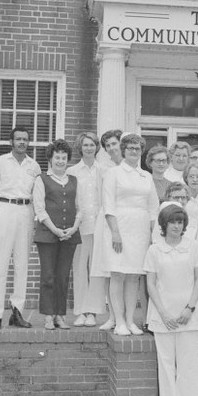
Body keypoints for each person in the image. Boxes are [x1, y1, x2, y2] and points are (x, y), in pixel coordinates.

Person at [144, 204, 198, 396]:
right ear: (164, 225)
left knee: (188, 363)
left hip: (188, 313)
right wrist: (163, 313)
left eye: (180, 222)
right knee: (166, 363)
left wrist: (189, 309)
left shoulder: (194, 247)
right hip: (163, 314)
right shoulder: (155, 250)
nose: (176, 226)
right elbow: (151, 283)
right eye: (172, 222)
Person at [0, 126, 40, 330]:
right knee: (0, 264)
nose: (22, 142)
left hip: (26, 212)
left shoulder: (34, 166)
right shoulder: (0, 162)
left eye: (25, 139)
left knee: (22, 264)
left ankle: (17, 312)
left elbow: (39, 195)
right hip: (5, 209)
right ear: (11, 142)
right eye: (18, 139)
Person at [103, 133, 159, 336]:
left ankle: (130, 320)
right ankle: (118, 321)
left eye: (137, 148)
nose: (134, 152)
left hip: (141, 228)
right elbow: (108, 205)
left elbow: (153, 208)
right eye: (130, 148)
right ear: (123, 150)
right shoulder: (114, 173)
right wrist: (115, 233)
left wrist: (153, 234)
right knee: (118, 274)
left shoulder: (147, 176)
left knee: (134, 276)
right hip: (119, 227)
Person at [33, 139, 82, 330]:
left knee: (63, 276)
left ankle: (60, 315)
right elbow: (39, 209)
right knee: (48, 276)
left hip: (69, 234)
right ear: (51, 159)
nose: (60, 161)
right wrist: (55, 230)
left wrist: (73, 228)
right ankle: (48, 315)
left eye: (64, 157)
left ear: (67, 159)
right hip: (47, 234)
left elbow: (80, 208)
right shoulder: (41, 179)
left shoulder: (74, 181)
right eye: (57, 157)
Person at [67, 132, 107, 328]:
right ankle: (81, 311)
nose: (89, 148)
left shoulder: (104, 170)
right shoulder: (73, 171)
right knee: (80, 268)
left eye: (92, 145)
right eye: (85, 145)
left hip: (99, 226)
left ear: (97, 147)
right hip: (80, 226)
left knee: (96, 269)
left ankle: (93, 311)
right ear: (80, 148)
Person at [91, 129, 123, 331]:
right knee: (109, 270)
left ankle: (123, 317)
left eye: (114, 143)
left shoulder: (131, 165)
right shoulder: (104, 169)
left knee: (124, 271)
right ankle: (112, 316)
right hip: (108, 219)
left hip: (128, 219)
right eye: (108, 145)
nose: (112, 148)